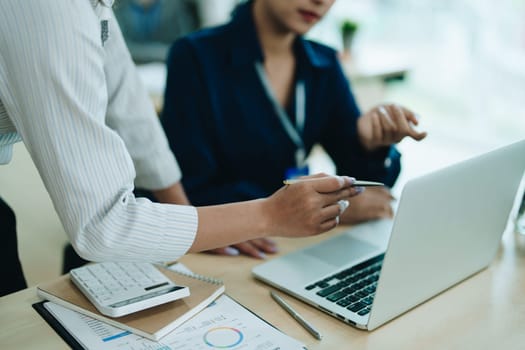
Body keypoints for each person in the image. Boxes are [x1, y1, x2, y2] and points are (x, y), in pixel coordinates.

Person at [0, 0, 361, 297]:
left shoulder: (96, 8)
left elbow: (130, 110)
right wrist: (269, 215)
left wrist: (184, 210)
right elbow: (102, 225)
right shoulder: (51, 9)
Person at [160, 0, 427, 258]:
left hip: (289, 242)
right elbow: (189, 189)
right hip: (226, 248)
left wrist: (371, 144)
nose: (320, 1)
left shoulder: (323, 63)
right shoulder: (195, 55)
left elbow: (369, 190)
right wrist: (316, 207)